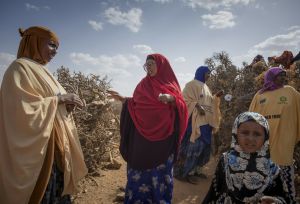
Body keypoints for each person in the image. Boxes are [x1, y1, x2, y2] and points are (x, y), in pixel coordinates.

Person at [0, 26, 88, 204]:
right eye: (52, 45)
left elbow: (52, 104)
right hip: (39, 154)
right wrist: (60, 99)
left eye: (57, 47)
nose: (55, 52)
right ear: (35, 42)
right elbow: (19, 110)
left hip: (56, 151)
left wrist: (66, 107)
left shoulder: (43, 71)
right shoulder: (19, 68)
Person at [108, 53, 188, 203]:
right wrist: (123, 99)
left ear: (162, 65)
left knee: (161, 177)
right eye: (147, 65)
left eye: (152, 64)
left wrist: (172, 99)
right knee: (137, 174)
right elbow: (136, 104)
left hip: (164, 142)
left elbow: (182, 106)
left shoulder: (170, 86)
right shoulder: (142, 85)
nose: (148, 67)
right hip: (141, 141)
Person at [202, 112, 292, 203]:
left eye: (257, 134)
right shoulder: (225, 160)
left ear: (266, 137)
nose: (250, 138)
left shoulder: (273, 169)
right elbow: (214, 192)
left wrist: (274, 201)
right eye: (245, 133)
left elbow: (284, 198)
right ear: (236, 134)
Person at [249, 67, 300, 202]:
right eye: (280, 75)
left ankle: (286, 199)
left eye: (285, 75)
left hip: (284, 142)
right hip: (263, 145)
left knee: (285, 180)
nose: (284, 78)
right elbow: (250, 119)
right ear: (271, 77)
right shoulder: (259, 96)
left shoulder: (290, 92)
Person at [173, 66, 223, 184]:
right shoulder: (191, 85)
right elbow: (183, 100)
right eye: (207, 73)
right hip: (194, 124)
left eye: (210, 74)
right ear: (201, 73)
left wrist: (216, 97)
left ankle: (195, 170)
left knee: (204, 149)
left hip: (206, 123)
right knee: (192, 149)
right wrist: (196, 105)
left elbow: (209, 102)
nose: (209, 76)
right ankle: (183, 173)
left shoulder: (206, 87)